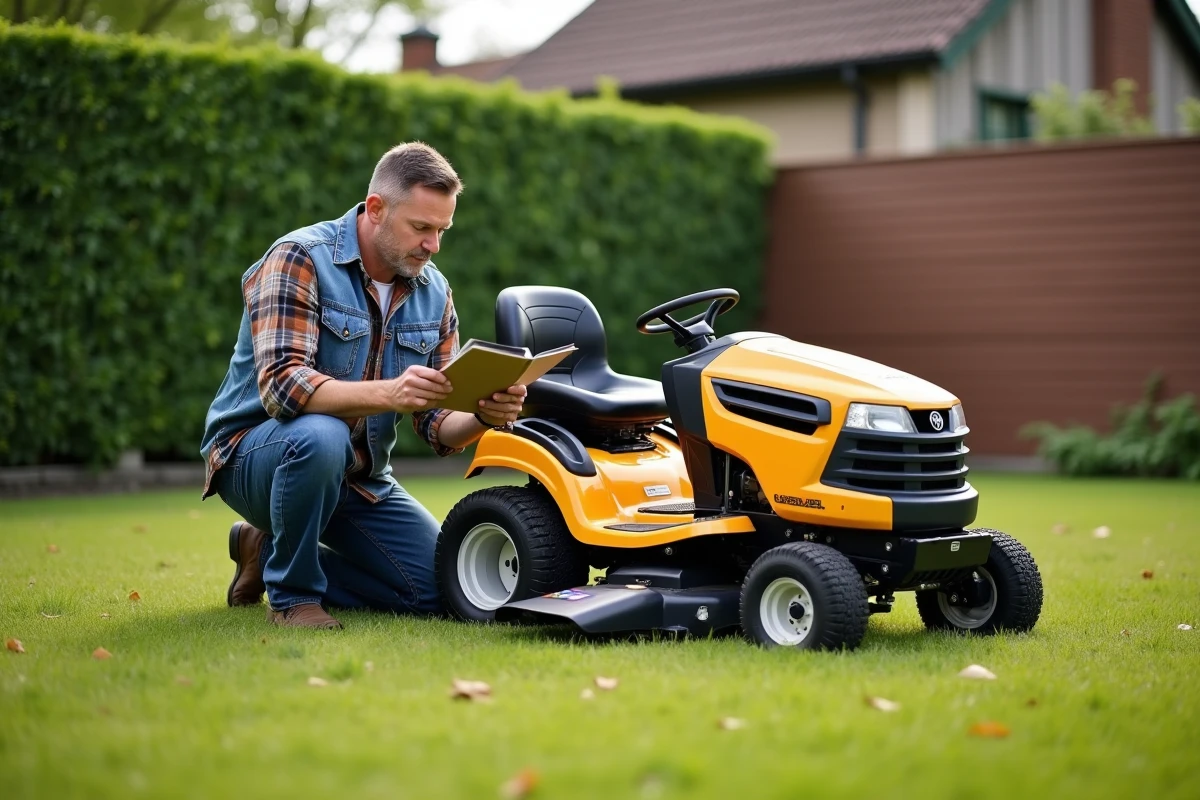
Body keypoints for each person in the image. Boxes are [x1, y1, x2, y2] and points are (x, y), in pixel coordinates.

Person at [199, 142, 526, 629]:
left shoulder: (434, 291)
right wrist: (391, 392)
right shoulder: (298, 258)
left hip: (358, 480)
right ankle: (294, 598)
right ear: (376, 209)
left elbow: (436, 426)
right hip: (255, 457)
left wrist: (482, 415)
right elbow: (284, 388)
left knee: (442, 590)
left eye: (441, 231)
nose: (433, 245)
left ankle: (264, 546)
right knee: (321, 435)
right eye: (421, 228)